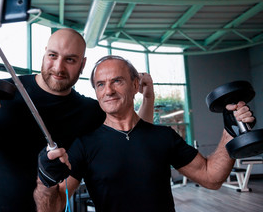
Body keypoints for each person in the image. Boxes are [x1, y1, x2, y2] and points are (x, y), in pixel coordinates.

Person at [0, 29, 155, 211]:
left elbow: (136, 135)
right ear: (45, 53)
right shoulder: (6, 91)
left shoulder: (89, 111)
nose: (58, 67)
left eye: (70, 60)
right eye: (53, 56)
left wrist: (148, 97)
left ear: (82, 65)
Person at [34, 55, 256, 212]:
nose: (108, 90)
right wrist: (45, 180)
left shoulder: (163, 136)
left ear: (135, 85)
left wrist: (230, 130)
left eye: (117, 81)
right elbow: (52, 207)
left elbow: (212, 177)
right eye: (100, 85)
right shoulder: (84, 145)